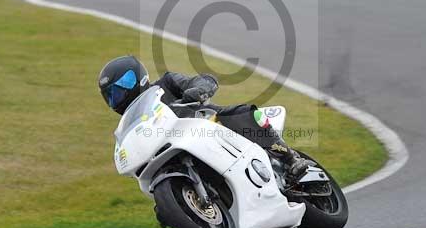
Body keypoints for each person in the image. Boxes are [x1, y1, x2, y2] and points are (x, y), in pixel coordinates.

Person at [97, 55, 311, 181]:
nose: (118, 96)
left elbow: (201, 80)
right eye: (111, 94)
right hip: (177, 149)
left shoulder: (166, 83)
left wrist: (198, 90)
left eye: (122, 86)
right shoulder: (131, 123)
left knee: (244, 113)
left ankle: (290, 159)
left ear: (138, 77)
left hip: (208, 124)